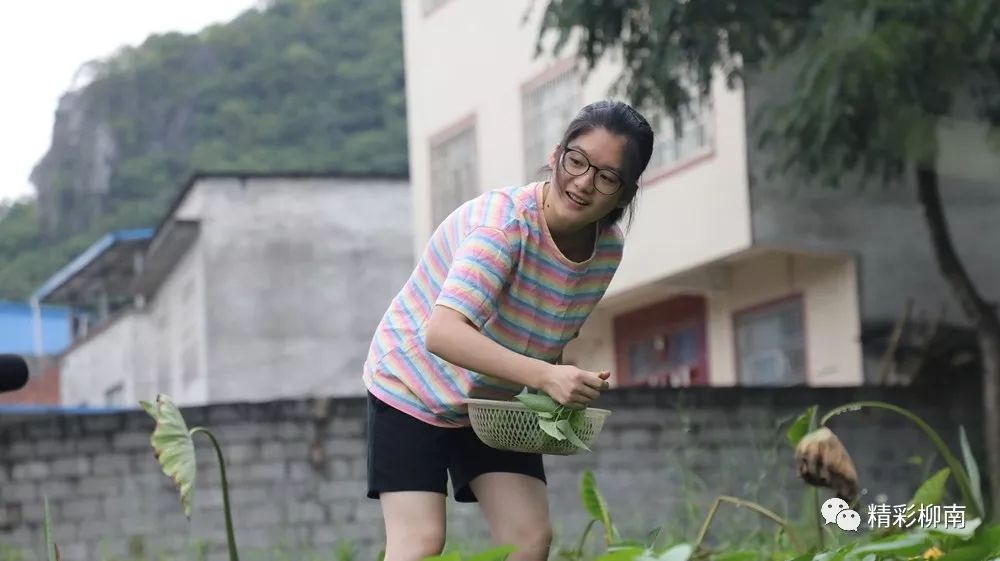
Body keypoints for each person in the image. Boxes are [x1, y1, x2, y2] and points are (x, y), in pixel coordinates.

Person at [362, 99, 655, 561]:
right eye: (576, 161)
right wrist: (544, 376)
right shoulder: (505, 226)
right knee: (419, 542)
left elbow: (547, 333)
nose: (582, 183)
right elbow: (441, 333)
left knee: (529, 537)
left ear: (623, 193)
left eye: (606, 176)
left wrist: (560, 381)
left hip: (492, 401)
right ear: (557, 154)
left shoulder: (606, 251)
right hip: (412, 386)